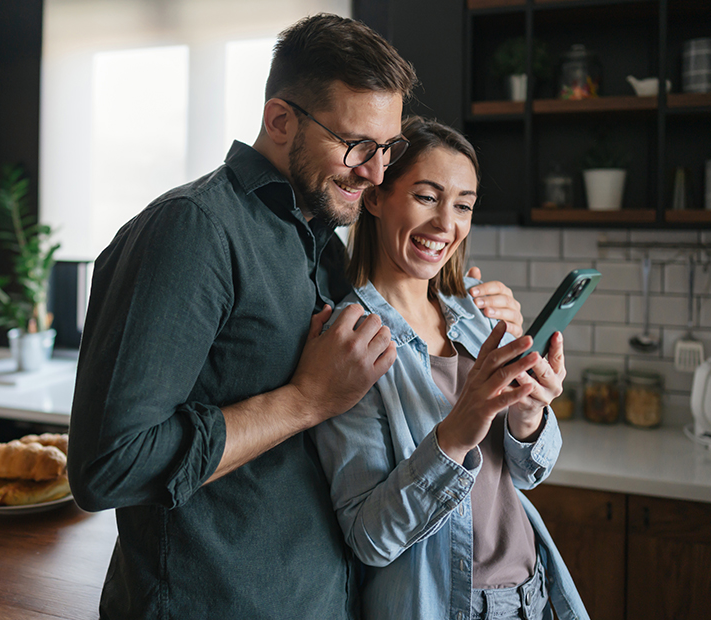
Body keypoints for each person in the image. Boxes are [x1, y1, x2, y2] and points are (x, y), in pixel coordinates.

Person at [68, 14, 523, 620]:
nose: (376, 172)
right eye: (357, 146)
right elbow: (109, 466)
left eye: (386, 149)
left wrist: (481, 312)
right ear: (280, 120)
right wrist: (305, 399)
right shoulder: (191, 230)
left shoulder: (321, 244)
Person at [311, 116, 589, 620]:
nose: (446, 224)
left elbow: (527, 473)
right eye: (426, 196)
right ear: (374, 198)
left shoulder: (474, 317)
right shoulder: (352, 344)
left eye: (463, 205)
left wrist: (530, 414)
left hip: (533, 594)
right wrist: (457, 432)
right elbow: (369, 538)